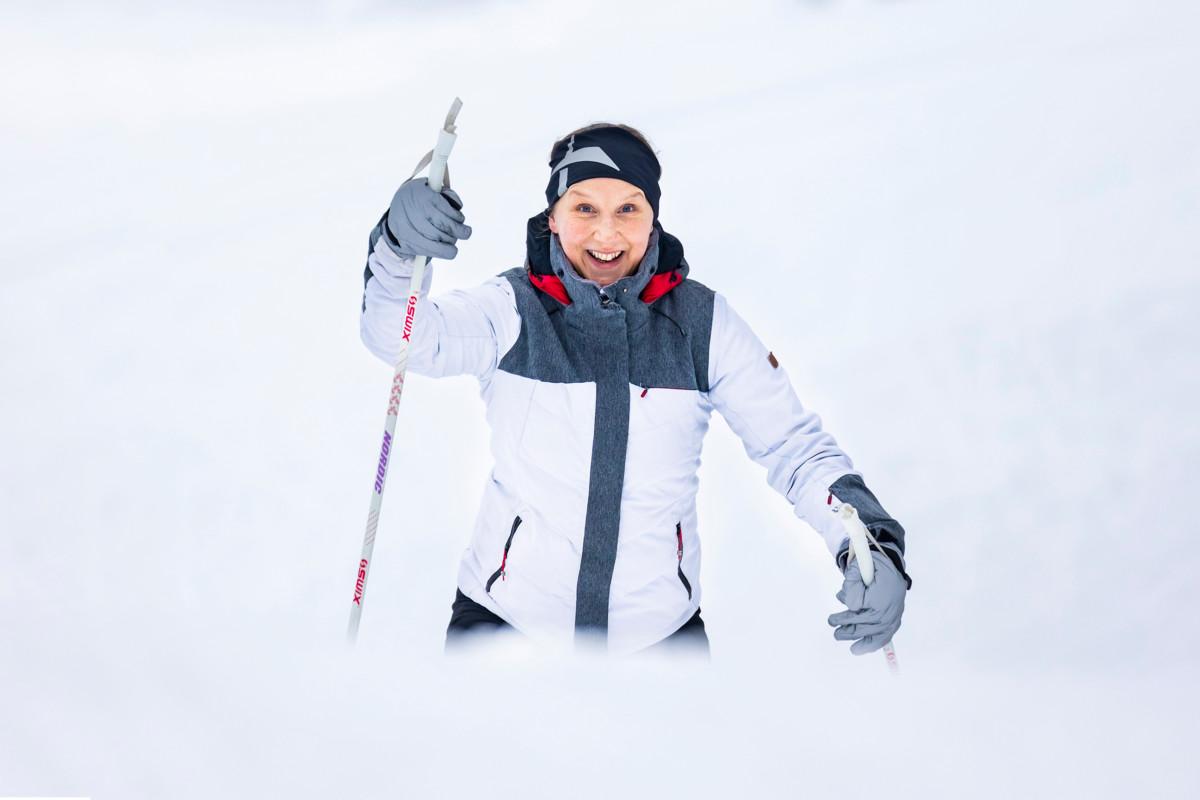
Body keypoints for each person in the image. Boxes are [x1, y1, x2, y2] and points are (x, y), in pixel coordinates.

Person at [359, 123, 911, 657]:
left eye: (628, 208)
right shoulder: (512, 310)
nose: (606, 233)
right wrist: (396, 247)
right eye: (583, 208)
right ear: (552, 217)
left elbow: (794, 448)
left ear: (653, 219)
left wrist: (869, 542)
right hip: (506, 624)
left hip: (657, 640)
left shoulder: (699, 323)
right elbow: (402, 337)